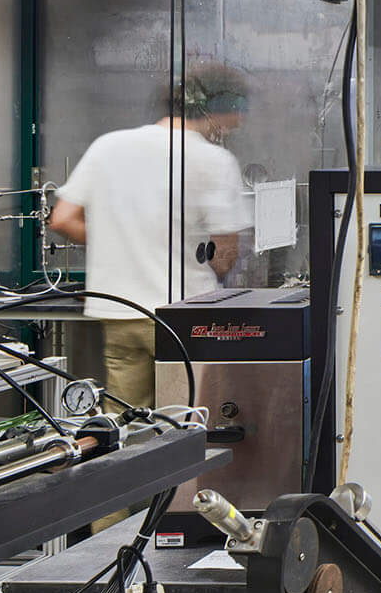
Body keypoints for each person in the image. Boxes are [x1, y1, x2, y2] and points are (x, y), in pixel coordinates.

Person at [49, 64, 252, 412]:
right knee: (187, 419)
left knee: (124, 426)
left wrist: (122, 243)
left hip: (119, 311)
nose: (237, 125)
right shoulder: (212, 159)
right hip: (182, 315)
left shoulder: (107, 146)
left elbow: (63, 219)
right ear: (215, 110)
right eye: (235, 116)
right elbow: (226, 252)